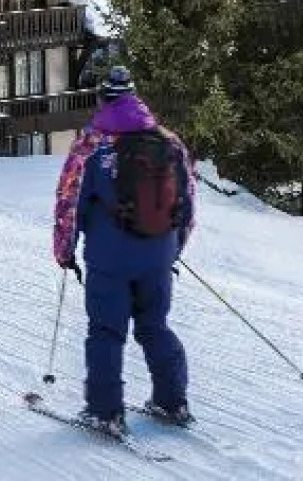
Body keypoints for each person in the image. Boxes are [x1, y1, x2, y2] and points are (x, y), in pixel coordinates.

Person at [51, 65, 196, 435]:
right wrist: (173, 247)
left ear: (103, 99)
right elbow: (187, 202)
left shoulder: (92, 145)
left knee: (106, 331)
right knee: (154, 326)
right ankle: (172, 400)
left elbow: (69, 202)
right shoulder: (169, 142)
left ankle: (105, 411)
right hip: (159, 255)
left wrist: (64, 251)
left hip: (109, 259)